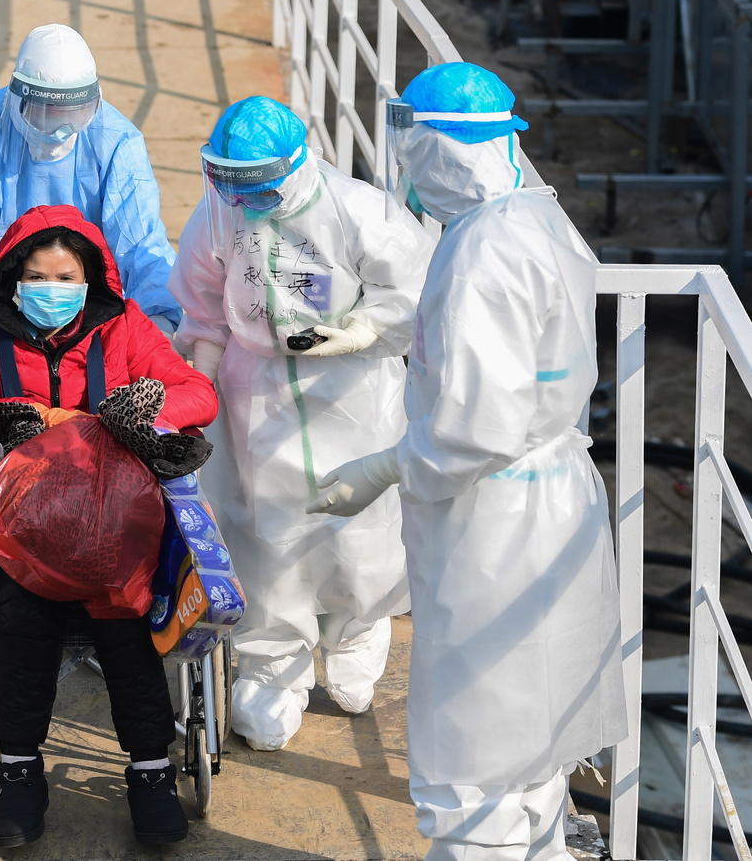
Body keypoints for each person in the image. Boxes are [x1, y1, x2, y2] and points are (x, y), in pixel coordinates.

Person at [307, 62, 626, 860]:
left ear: (439, 149)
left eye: (412, 148)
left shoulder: (482, 252)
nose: (406, 169)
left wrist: (383, 469)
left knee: (470, 744)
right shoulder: (540, 216)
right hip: (555, 492)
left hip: (495, 514)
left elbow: (472, 429)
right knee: (533, 727)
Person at [0, 204, 218, 848]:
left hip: (113, 520)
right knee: (24, 623)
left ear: (91, 280)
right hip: (22, 523)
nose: (51, 291)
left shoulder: (125, 330)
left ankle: (151, 772)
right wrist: (5, 413)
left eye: (65, 278)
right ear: (12, 277)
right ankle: (21, 772)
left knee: (123, 618)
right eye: (37, 276)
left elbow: (199, 393)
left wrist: (144, 406)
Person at [170, 96, 433, 751]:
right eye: (233, 183)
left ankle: (357, 627)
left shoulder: (357, 210)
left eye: (257, 184)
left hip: (354, 390)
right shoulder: (220, 213)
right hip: (254, 392)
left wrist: (360, 332)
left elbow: (413, 293)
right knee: (267, 531)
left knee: (363, 529)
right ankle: (272, 666)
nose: (246, 197)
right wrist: (196, 387)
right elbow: (202, 304)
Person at [0, 23, 181, 342]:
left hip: (90, 301)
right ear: (18, 98)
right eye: (45, 112)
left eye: (73, 114)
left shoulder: (117, 141)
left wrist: (159, 323)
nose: (59, 130)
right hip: (0, 304)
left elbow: (139, 240)